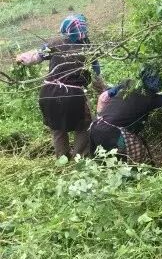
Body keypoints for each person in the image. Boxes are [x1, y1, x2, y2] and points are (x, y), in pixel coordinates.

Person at [15, 14, 105, 158]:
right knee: (84, 125)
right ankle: (79, 159)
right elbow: (96, 76)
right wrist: (104, 92)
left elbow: (35, 57)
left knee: (57, 128)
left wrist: (21, 58)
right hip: (73, 95)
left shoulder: (55, 42)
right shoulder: (88, 48)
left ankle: (62, 159)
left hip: (48, 93)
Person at [90, 66, 162, 164]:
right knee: (134, 160)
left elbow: (103, 97)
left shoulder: (127, 83)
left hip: (96, 127)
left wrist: (101, 117)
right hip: (113, 135)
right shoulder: (151, 99)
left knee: (103, 162)